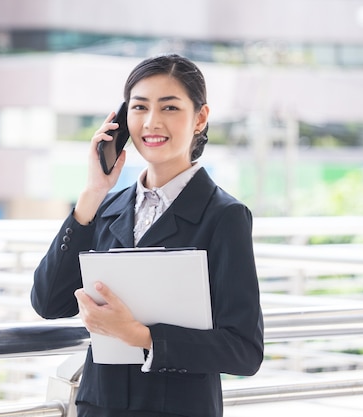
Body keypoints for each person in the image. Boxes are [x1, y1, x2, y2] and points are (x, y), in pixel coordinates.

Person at [30, 54, 264, 417]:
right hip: (100, 407)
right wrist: (93, 192)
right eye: (139, 108)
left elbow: (243, 350)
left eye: (169, 107)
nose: (152, 122)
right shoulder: (106, 209)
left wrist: (141, 335)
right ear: (123, 120)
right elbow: (48, 302)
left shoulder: (224, 216)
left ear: (200, 118)